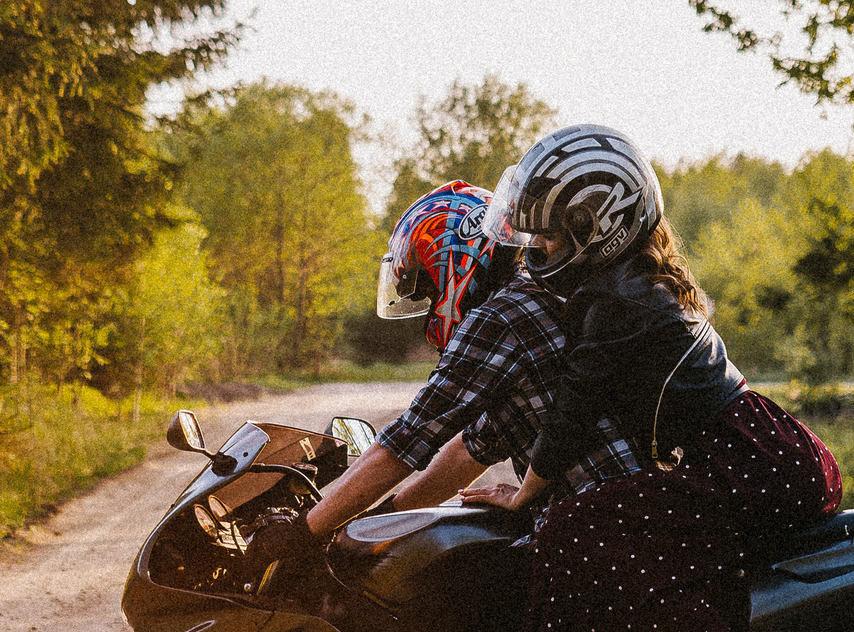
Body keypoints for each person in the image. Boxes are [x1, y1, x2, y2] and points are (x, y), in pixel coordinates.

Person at [463, 124, 842, 632]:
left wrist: (524, 493)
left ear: (599, 227)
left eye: (553, 231)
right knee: (663, 549)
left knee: (576, 530)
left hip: (740, 462)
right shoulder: (641, 282)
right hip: (770, 452)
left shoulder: (611, 301)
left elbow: (572, 410)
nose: (538, 244)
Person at [244, 181, 646, 569]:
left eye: (426, 284)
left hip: (597, 532)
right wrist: (377, 520)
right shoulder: (532, 297)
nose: (430, 298)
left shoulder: (498, 317)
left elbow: (404, 442)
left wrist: (303, 531)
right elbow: (470, 450)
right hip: (626, 515)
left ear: (449, 260)